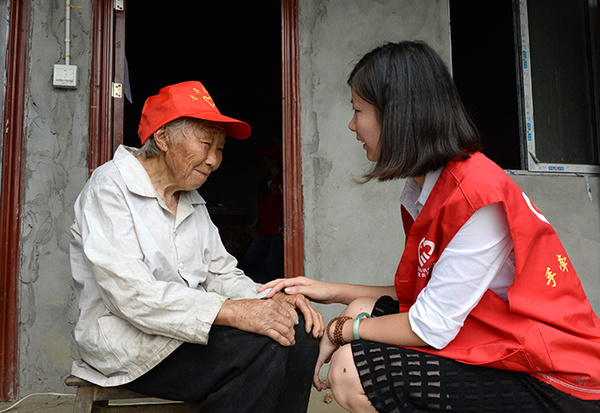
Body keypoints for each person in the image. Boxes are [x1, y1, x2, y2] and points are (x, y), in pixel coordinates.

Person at [260, 41, 600, 412]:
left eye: (358, 110)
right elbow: (435, 292)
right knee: (360, 306)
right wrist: (328, 290)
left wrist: (341, 330)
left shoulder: (476, 197)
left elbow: (430, 324)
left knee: (350, 368)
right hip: (500, 338)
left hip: (555, 379)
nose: (352, 124)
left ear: (397, 115)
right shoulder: (428, 186)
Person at [69, 80, 323, 413]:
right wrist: (234, 312)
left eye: (220, 149)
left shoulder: (191, 199)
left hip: (182, 335)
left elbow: (221, 272)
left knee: (298, 332)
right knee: (268, 346)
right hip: (129, 344)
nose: (214, 160)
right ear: (162, 138)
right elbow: (131, 295)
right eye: (206, 144)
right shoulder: (110, 188)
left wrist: (271, 301)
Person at [244, 143, 284, 283]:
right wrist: (255, 223)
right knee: (250, 257)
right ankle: (278, 266)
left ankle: (277, 295)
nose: (263, 163)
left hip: (278, 229)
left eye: (265, 159)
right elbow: (263, 206)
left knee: (271, 266)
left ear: (273, 160)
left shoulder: (283, 180)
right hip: (265, 228)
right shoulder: (264, 181)